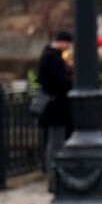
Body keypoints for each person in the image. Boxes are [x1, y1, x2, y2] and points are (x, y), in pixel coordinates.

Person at [35, 30, 74, 179]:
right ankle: (53, 175)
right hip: (55, 108)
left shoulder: (50, 56)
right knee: (55, 143)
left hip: (55, 107)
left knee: (54, 141)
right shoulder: (52, 57)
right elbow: (61, 82)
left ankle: (54, 173)